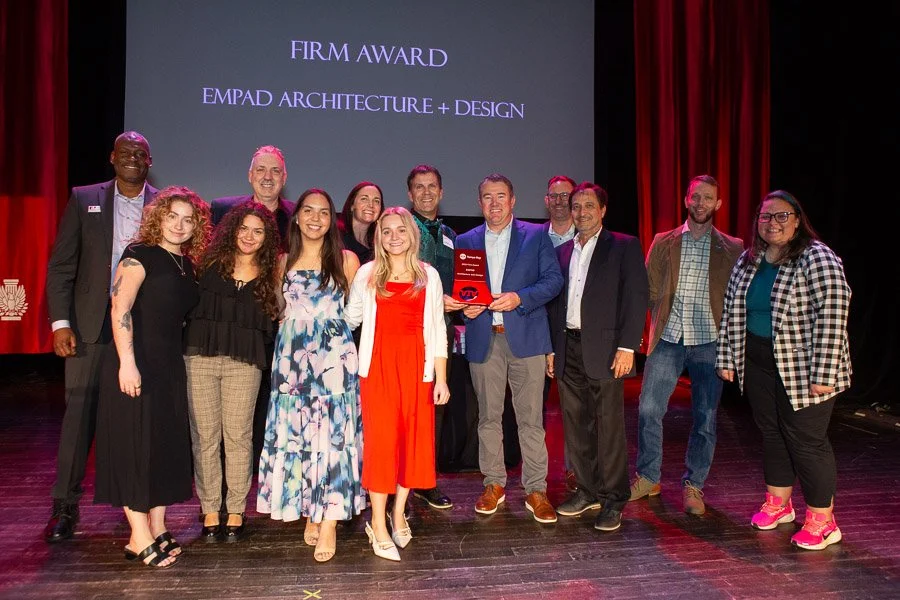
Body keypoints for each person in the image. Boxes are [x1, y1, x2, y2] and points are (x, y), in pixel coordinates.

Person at [717, 190, 851, 551]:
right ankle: (779, 503)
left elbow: (834, 312)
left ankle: (823, 521)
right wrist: (727, 358)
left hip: (805, 365)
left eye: (781, 216)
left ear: (797, 220)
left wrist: (824, 373)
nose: (772, 223)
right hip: (759, 360)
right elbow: (731, 310)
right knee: (772, 432)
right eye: (765, 216)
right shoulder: (750, 260)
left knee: (806, 440)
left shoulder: (815, 256)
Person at [44, 131, 157, 543]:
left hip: (142, 328)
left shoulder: (163, 205)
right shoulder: (83, 198)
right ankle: (64, 507)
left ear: (149, 161)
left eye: (140, 154)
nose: (132, 158)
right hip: (89, 328)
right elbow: (62, 266)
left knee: (137, 422)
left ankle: (137, 507)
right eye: (125, 152)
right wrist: (61, 323)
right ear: (112, 157)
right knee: (78, 420)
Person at [93, 186, 211, 568]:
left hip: (168, 366)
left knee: (162, 446)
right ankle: (138, 534)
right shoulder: (139, 254)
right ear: (158, 217)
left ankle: (157, 527)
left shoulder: (187, 265)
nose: (179, 225)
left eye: (188, 219)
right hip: (136, 360)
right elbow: (120, 308)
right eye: (172, 216)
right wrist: (127, 362)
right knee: (134, 446)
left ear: (196, 227)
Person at [256, 189, 364, 563]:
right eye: (308, 211)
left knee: (333, 436)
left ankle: (329, 519)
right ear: (297, 217)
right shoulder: (282, 261)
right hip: (292, 360)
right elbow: (277, 310)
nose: (316, 218)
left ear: (332, 220)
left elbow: (356, 311)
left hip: (334, 358)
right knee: (299, 434)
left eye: (323, 212)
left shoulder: (347, 260)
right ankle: (309, 508)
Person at [630, 175, 743, 515]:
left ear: (718, 204)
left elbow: (736, 298)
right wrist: (644, 330)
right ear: (686, 200)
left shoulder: (733, 247)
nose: (700, 203)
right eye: (695, 197)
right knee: (649, 410)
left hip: (710, 341)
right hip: (669, 338)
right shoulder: (664, 241)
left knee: (705, 417)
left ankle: (694, 485)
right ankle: (648, 477)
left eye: (707, 198)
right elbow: (648, 290)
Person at [455, 174, 563, 524]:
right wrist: (466, 306)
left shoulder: (536, 235)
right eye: (487, 197)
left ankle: (536, 489)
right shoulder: (466, 240)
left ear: (513, 200)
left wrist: (520, 298)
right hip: (483, 337)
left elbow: (553, 281)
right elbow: (463, 289)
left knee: (530, 419)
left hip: (527, 337)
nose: (495, 203)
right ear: (480, 203)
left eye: (501, 196)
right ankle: (494, 484)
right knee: (488, 417)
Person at [345, 207, 450, 561]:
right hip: (377, 370)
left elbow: (438, 329)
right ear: (379, 237)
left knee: (410, 444)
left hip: (417, 371)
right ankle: (377, 521)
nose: (394, 237)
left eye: (400, 230)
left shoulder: (428, 275)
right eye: (386, 231)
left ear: (412, 235)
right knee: (381, 445)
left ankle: (398, 511)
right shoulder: (367, 273)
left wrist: (441, 378)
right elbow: (350, 318)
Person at [547, 182, 648, 532]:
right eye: (576, 206)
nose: (582, 212)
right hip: (568, 348)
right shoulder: (562, 252)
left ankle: (614, 498)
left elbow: (636, 297)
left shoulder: (623, 245)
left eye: (589, 206)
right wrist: (552, 349)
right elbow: (555, 306)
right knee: (576, 426)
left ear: (603, 210)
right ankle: (587, 491)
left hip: (607, 350)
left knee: (608, 427)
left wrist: (628, 347)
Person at [183, 202, 282, 543]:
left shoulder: (271, 274)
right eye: (244, 228)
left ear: (267, 238)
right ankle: (210, 506)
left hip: (245, 361)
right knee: (205, 436)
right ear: (231, 230)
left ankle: (236, 507)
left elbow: (281, 313)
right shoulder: (206, 264)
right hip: (200, 357)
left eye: (258, 231)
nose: (250, 236)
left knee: (239, 436)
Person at [408, 164, 461, 510]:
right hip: (408, 330)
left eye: (432, 187)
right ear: (410, 194)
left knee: (435, 408)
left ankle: (426, 480)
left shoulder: (450, 234)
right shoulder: (401, 228)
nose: (426, 193)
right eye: (419, 187)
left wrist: (466, 300)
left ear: (441, 192)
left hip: (441, 332)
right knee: (406, 409)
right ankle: (399, 481)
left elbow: (460, 280)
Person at [541, 174, 578, 492]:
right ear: (546, 201)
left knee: (575, 408)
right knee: (532, 409)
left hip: (574, 333)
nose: (559, 201)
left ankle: (575, 469)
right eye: (553, 196)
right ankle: (535, 475)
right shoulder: (533, 238)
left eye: (565, 195)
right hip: (538, 333)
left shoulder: (590, 237)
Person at [211, 145, 295, 248]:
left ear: (284, 179)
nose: (268, 177)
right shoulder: (222, 210)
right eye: (260, 170)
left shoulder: (297, 214)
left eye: (275, 171)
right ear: (250, 176)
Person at [339, 181, 384, 264]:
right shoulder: (336, 238)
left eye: (376, 201)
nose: (371, 205)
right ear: (352, 205)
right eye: (364, 199)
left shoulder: (381, 245)